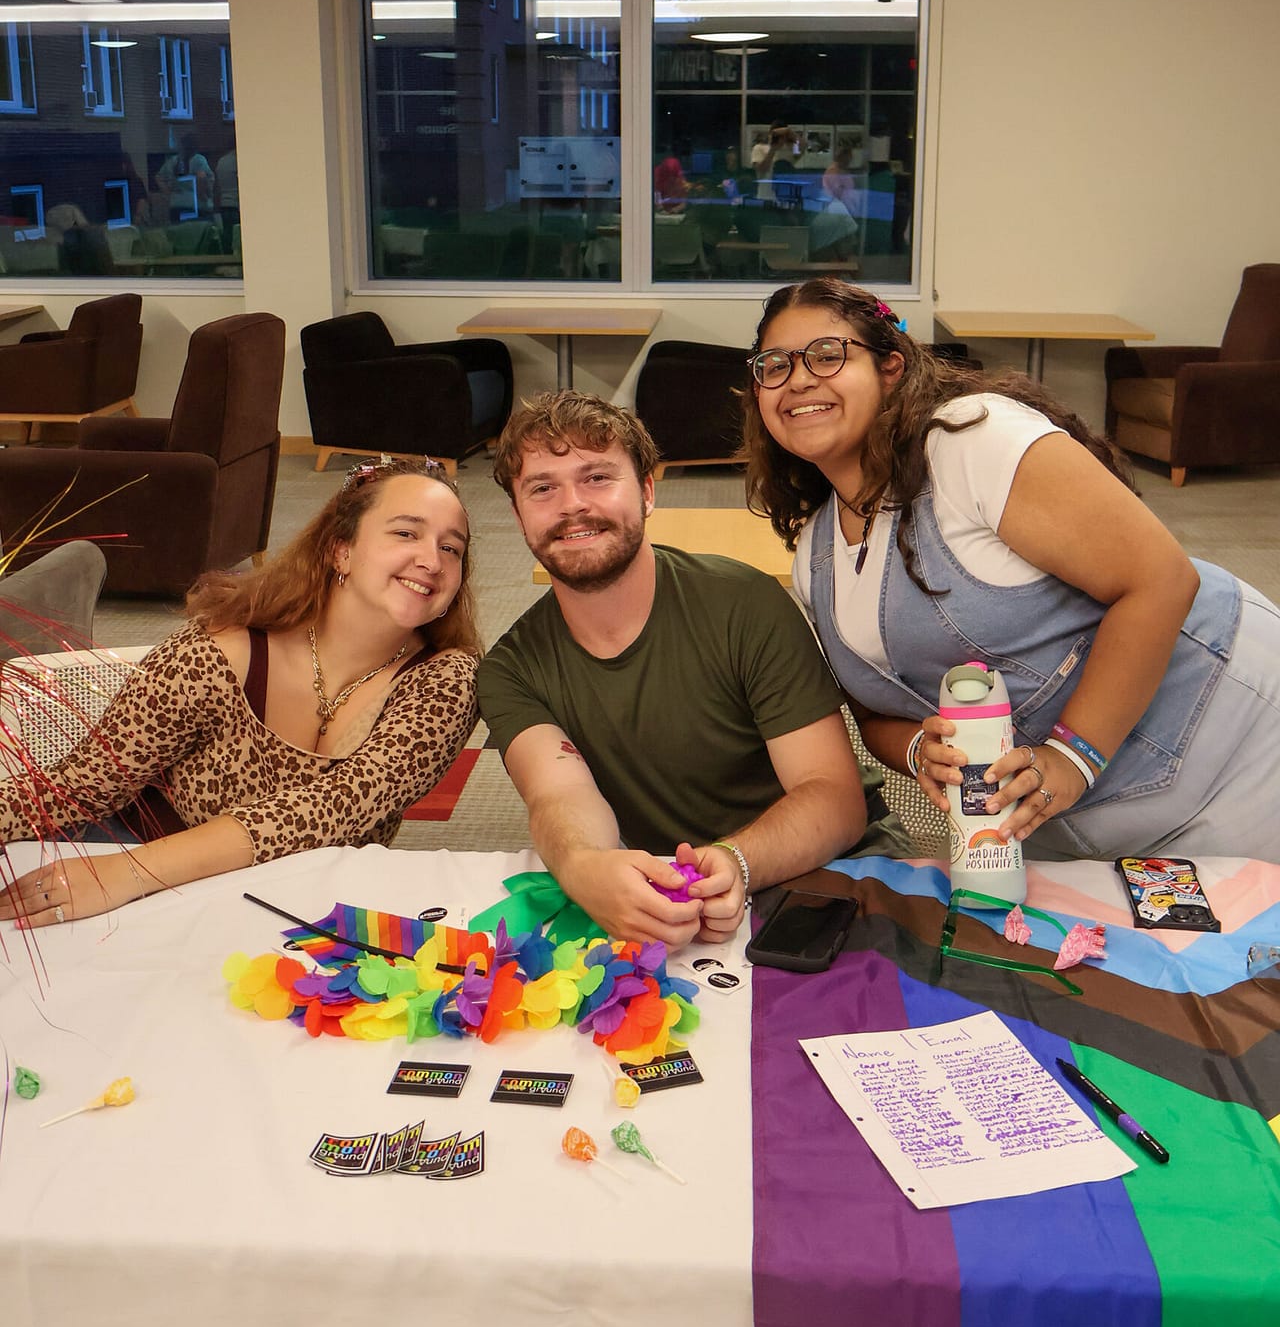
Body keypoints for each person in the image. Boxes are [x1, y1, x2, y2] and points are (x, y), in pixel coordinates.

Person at [742, 278, 1280, 862]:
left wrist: (1073, 757)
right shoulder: (817, 555)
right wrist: (921, 746)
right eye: (772, 365)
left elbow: (1161, 580)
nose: (796, 379)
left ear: (891, 367)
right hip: (1068, 819)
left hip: (1226, 742)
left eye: (827, 355)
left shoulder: (970, 440)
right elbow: (874, 710)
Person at [0, 459, 481, 927]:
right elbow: (78, 788)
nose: (431, 560)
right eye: (406, 533)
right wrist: (118, 875)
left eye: (451, 549)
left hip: (301, 910)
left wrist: (123, 876)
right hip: (134, 882)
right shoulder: (216, 655)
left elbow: (326, 811)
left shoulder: (446, 682)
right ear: (342, 551)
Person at [477, 392, 868, 947]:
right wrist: (585, 866)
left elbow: (834, 797)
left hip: (820, 880)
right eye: (543, 488)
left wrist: (738, 859)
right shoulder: (510, 670)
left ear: (647, 491)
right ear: (519, 517)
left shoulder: (744, 604)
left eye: (596, 478)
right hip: (661, 909)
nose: (572, 505)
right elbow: (559, 797)